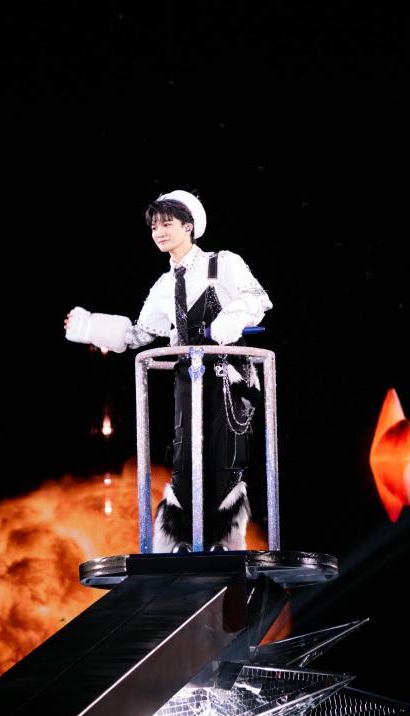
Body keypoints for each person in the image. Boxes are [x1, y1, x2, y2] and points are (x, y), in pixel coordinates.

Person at [64, 189, 272, 552]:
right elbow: (140, 334)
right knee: (185, 454)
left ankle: (223, 538)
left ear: (188, 226)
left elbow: (257, 298)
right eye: (154, 227)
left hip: (228, 375)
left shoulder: (221, 263)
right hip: (188, 376)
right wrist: (89, 327)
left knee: (225, 452)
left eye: (167, 224)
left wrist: (230, 320)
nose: (159, 232)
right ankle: (183, 538)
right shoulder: (164, 285)